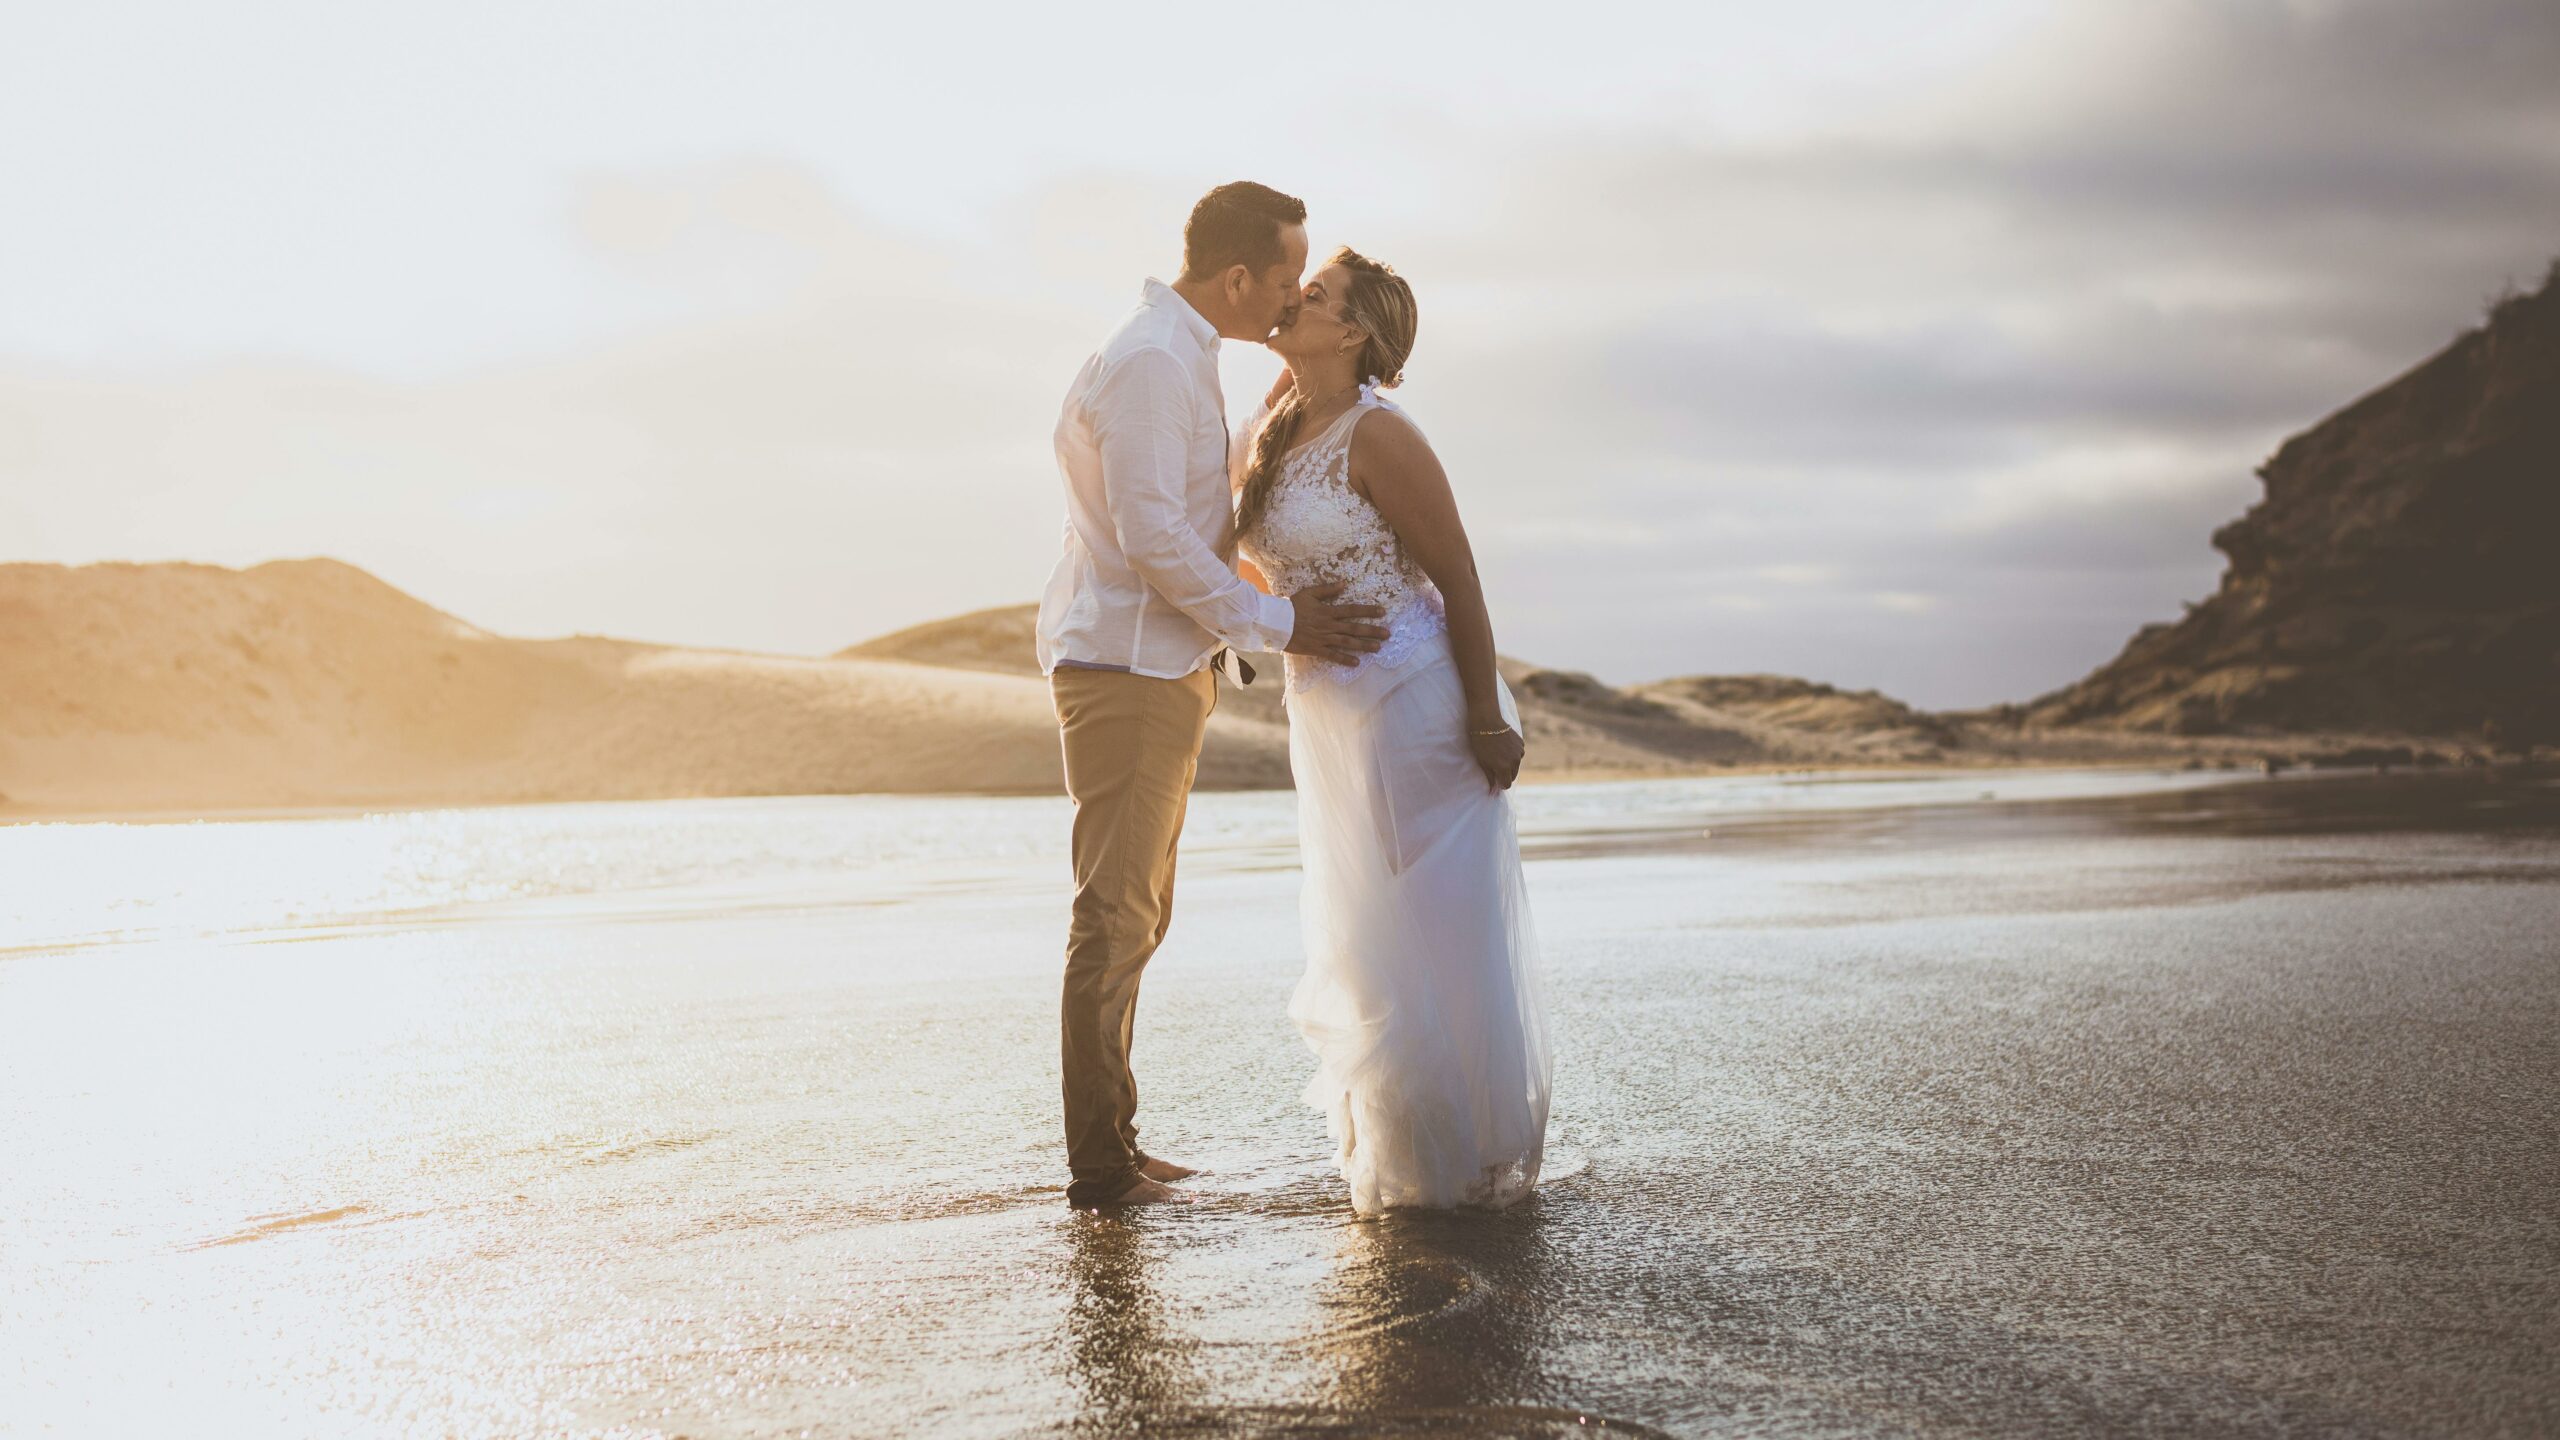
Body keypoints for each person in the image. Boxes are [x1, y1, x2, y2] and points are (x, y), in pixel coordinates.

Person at [1035, 183, 1393, 1210]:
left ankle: (1116, 1143)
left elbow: (1183, 512)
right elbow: (1151, 537)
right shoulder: (1153, 361)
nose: (1288, 299)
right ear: (1238, 277)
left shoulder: (1179, 353)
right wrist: (1277, 628)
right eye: (1285, 279)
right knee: (1114, 915)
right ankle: (1101, 1169)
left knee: (1139, 912)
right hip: (1128, 668)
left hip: (1160, 664)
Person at [1234, 247, 1552, 1215]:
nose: (1294, 300)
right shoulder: (1274, 427)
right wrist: (1279, 618)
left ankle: (1459, 1158)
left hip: (1412, 704)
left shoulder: (1382, 436)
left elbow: (1457, 576)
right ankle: (1404, 1146)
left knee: (1429, 934)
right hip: (1323, 713)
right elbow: (1253, 559)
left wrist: (1488, 716)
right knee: (1359, 929)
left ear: (1355, 332)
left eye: (1316, 295)